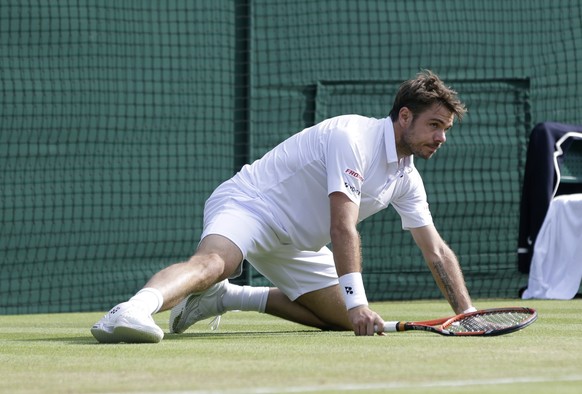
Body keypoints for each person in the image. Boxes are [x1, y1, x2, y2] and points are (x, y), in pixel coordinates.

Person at [91, 70, 475, 343]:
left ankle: (228, 297)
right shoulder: (353, 138)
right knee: (215, 264)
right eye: (434, 125)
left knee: (343, 320)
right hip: (251, 205)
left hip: (295, 243)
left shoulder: (406, 178)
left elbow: (436, 251)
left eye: (446, 129)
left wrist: (467, 315)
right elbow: (343, 227)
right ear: (405, 116)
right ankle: (132, 310)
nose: (441, 137)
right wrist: (359, 303)